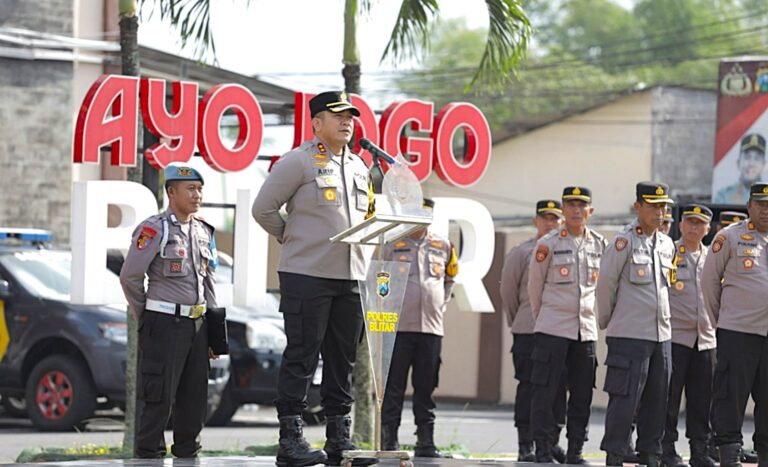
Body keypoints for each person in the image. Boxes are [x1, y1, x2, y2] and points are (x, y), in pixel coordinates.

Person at [251, 91, 377, 467]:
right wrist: (293, 238)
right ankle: (290, 440)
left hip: (351, 277)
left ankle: (340, 440)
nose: (347, 122)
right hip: (307, 274)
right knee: (302, 356)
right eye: (338, 116)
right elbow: (263, 209)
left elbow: (368, 216)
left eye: (350, 116)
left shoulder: (359, 166)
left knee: (342, 363)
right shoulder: (298, 161)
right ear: (317, 123)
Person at [119, 165, 219, 459]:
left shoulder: (203, 230)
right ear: (171, 192)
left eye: (199, 189)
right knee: (158, 396)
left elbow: (209, 282)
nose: (197, 195)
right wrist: (148, 316)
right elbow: (130, 277)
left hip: (197, 324)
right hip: (164, 322)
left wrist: (214, 331)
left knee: (194, 398)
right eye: (190, 189)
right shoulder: (154, 229)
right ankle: (149, 456)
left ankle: (188, 454)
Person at [597, 182, 676, 467]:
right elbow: (605, 285)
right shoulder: (624, 242)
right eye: (654, 206)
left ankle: (650, 453)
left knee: (658, 398)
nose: (660, 212)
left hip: (661, 335)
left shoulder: (667, 244)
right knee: (625, 398)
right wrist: (608, 320)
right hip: (629, 334)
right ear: (638, 207)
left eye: (663, 206)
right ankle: (616, 453)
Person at [527, 187, 606, 464]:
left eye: (581, 205)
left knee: (582, 395)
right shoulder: (547, 244)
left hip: (585, 331)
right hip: (552, 329)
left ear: (590, 211)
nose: (576, 210)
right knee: (545, 392)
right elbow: (534, 288)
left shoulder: (599, 244)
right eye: (570, 205)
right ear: (563, 209)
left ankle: (575, 451)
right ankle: (543, 449)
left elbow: (603, 288)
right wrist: (544, 319)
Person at [379, 198, 459, 457]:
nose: (421, 218)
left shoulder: (443, 245)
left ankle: (425, 442)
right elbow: (379, 279)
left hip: (431, 329)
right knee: (394, 387)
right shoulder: (392, 244)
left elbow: (450, 278)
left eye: (426, 214)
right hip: (399, 328)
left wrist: (441, 303)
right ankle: (389, 440)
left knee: (426, 387)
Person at [701, 183, 768, 467]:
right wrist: (723, 321)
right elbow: (709, 283)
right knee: (730, 396)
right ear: (749, 206)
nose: (766, 210)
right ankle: (729, 453)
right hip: (738, 332)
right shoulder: (729, 237)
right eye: (761, 204)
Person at [499, 199, 567, 463]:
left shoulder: (567, 250)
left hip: (558, 331)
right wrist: (520, 320)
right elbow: (508, 291)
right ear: (535, 221)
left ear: (562, 221)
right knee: (529, 387)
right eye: (545, 218)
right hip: (529, 330)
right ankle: (525, 444)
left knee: (558, 387)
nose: (550, 223)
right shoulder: (522, 252)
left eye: (554, 218)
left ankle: (551, 442)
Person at [662, 204, 716, 467]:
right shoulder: (669, 252)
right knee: (669, 399)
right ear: (681, 225)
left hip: (706, 339)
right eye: (689, 222)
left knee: (702, 400)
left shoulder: (714, 256)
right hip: (676, 338)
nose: (694, 228)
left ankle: (699, 451)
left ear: (708, 229)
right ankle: (667, 450)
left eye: (699, 223)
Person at [714, 133, 766, 204]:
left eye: (757, 158)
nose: (751, 164)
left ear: (764, 165)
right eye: (747, 157)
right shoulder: (723, 196)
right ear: (738, 163)